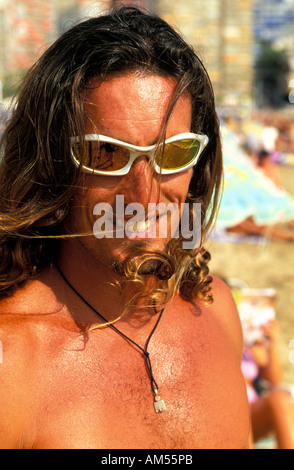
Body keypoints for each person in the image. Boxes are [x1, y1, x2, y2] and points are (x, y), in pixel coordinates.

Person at [0, 7, 250, 449]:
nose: (145, 192)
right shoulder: (12, 361)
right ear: (53, 165)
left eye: (173, 153)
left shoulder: (216, 312)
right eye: (106, 154)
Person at [242, 319, 294, 449]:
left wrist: (271, 344)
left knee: (280, 398)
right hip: (228, 408)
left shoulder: (249, 346)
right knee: (278, 399)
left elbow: (274, 380)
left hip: (250, 411)